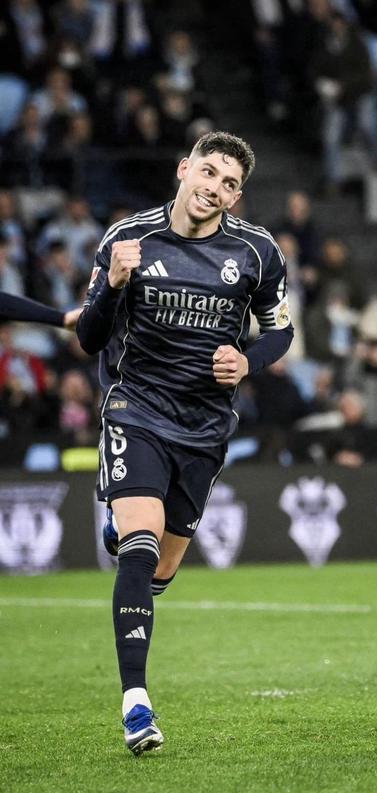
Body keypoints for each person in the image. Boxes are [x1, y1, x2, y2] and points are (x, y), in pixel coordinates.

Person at [76, 131, 293, 755]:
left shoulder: (257, 252)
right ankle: (136, 704)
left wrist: (247, 361)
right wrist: (113, 284)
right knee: (140, 546)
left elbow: (280, 332)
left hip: (204, 427)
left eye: (229, 183)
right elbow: (89, 337)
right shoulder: (127, 239)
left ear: (237, 196)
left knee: (161, 568)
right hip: (137, 411)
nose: (214, 188)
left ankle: (126, 539)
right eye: (208, 172)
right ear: (183, 170)